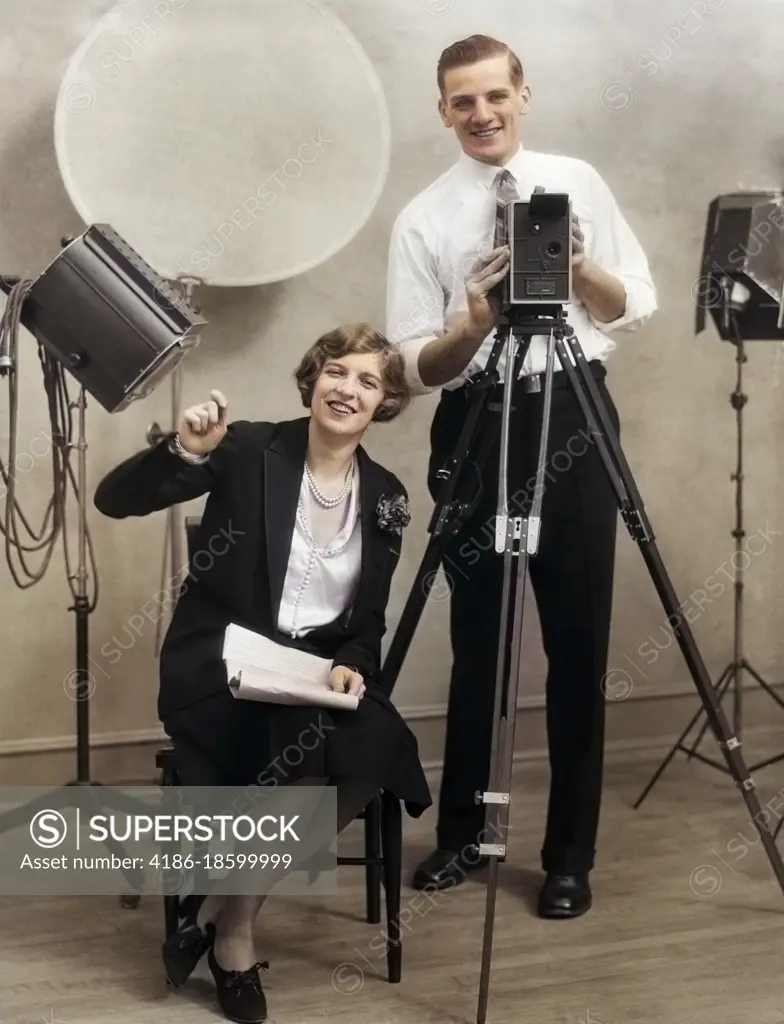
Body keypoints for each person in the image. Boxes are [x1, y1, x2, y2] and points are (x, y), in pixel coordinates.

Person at [385, 34, 658, 919]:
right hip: (479, 416)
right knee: (480, 640)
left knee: (578, 640)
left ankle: (569, 856)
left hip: (571, 408)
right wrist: (469, 320)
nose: (481, 115)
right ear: (442, 111)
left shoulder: (579, 180)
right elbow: (415, 367)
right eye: (462, 102)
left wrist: (578, 268)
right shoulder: (422, 217)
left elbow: (634, 304)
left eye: (494, 95)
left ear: (523, 95)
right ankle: (463, 832)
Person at [93, 323, 433, 1024]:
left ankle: (216, 907)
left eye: (369, 381)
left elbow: (368, 619)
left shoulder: (390, 495)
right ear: (314, 379)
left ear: (386, 402)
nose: (349, 389)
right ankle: (235, 942)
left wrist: (351, 665)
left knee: (377, 743)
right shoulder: (248, 447)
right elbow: (115, 500)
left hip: (305, 676)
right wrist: (184, 450)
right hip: (218, 666)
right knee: (301, 749)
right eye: (338, 372)